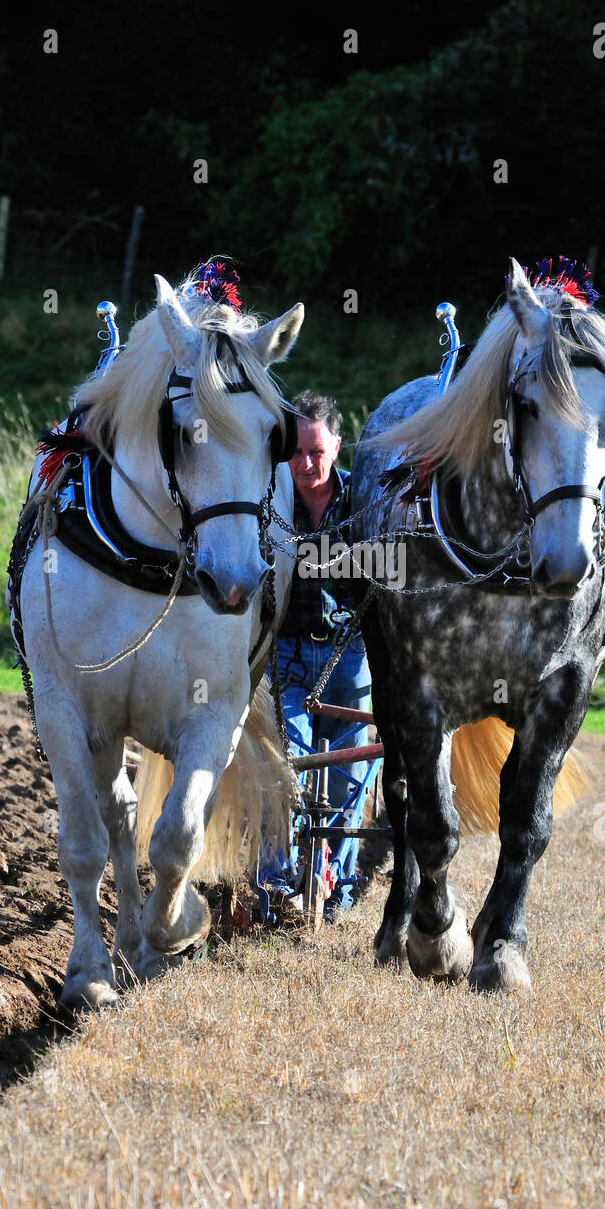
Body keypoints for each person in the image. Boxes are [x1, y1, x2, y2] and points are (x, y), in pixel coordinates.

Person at [258, 390, 372, 920]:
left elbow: (388, 576)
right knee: (287, 771)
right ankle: (279, 887)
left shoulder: (363, 503)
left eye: (318, 452)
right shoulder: (267, 504)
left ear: (337, 446)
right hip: (285, 657)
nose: (306, 464)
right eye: (296, 452)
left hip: (347, 660)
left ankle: (338, 893)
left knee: (350, 783)